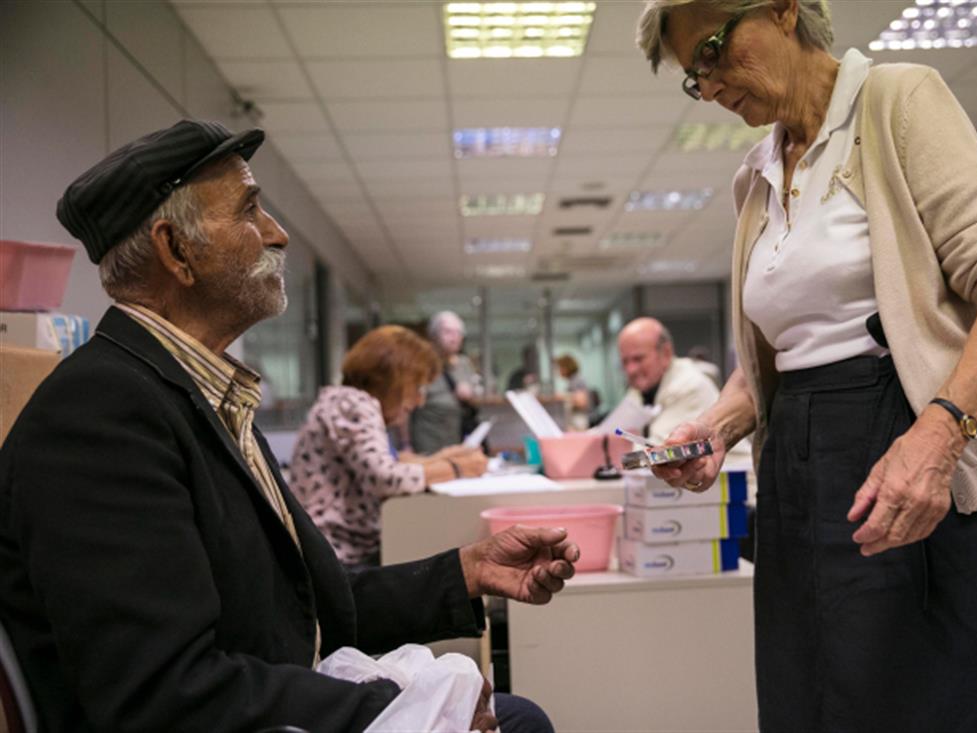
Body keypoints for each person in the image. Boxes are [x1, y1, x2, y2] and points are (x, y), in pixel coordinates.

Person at [0, 120, 575, 732]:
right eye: (249, 210)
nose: (276, 233)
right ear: (176, 250)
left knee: (518, 717)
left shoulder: (198, 393)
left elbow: (306, 606)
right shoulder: (100, 414)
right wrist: (405, 710)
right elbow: (165, 693)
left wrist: (468, 571)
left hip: (266, 696)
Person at [635, 2, 977, 731]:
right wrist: (717, 424)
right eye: (694, 79)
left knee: (953, 696)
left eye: (712, 52)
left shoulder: (896, 100)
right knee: (825, 694)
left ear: (783, 10)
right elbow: (781, 349)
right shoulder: (754, 174)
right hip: (803, 467)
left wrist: (938, 437)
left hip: (921, 445)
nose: (711, 87)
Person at [289, 325, 488, 570]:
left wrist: (441, 458)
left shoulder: (344, 400)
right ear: (394, 379)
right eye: (417, 388)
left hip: (335, 551)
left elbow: (387, 463)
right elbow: (385, 478)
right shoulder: (355, 403)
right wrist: (456, 468)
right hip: (340, 556)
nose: (419, 401)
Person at [617, 316, 720, 442]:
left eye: (638, 359)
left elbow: (662, 448)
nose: (630, 370)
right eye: (625, 361)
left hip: (730, 462)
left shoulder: (688, 385)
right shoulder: (639, 391)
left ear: (666, 353)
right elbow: (616, 433)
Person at [408, 310, 481, 455]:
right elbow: (406, 406)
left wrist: (470, 395)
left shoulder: (464, 363)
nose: (454, 338)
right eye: (448, 332)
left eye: (458, 333)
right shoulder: (421, 364)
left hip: (457, 438)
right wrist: (405, 443)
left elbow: (477, 397)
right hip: (428, 441)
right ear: (434, 335)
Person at [554, 353, 592, 430]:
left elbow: (582, 402)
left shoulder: (577, 380)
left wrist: (563, 397)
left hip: (579, 419)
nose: (558, 371)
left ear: (566, 367)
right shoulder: (572, 381)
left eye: (560, 368)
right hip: (576, 419)